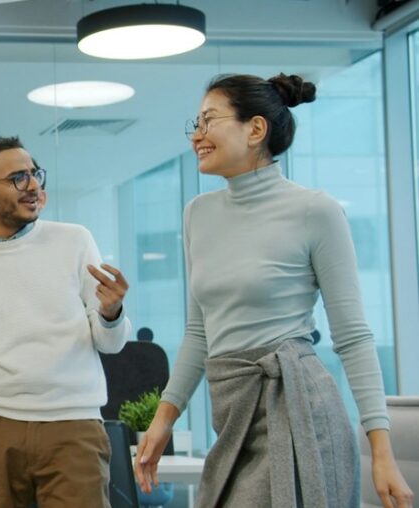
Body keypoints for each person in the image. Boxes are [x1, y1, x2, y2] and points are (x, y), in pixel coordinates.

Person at [134, 73, 413, 508]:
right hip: (233, 416)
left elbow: (353, 337)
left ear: (256, 129)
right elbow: (198, 332)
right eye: (196, 123)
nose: (197, 135)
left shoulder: (315, 210)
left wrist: (382, 453)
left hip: (301, 413)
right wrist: (162, 421)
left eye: (208, 120)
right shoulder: (198, 214)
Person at [0, 136, 132, 508]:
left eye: (35, 174)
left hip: (73, 424)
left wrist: (112, 313)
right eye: (18, 178)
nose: (33, 185)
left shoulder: (75, 241)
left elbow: (110, 344)